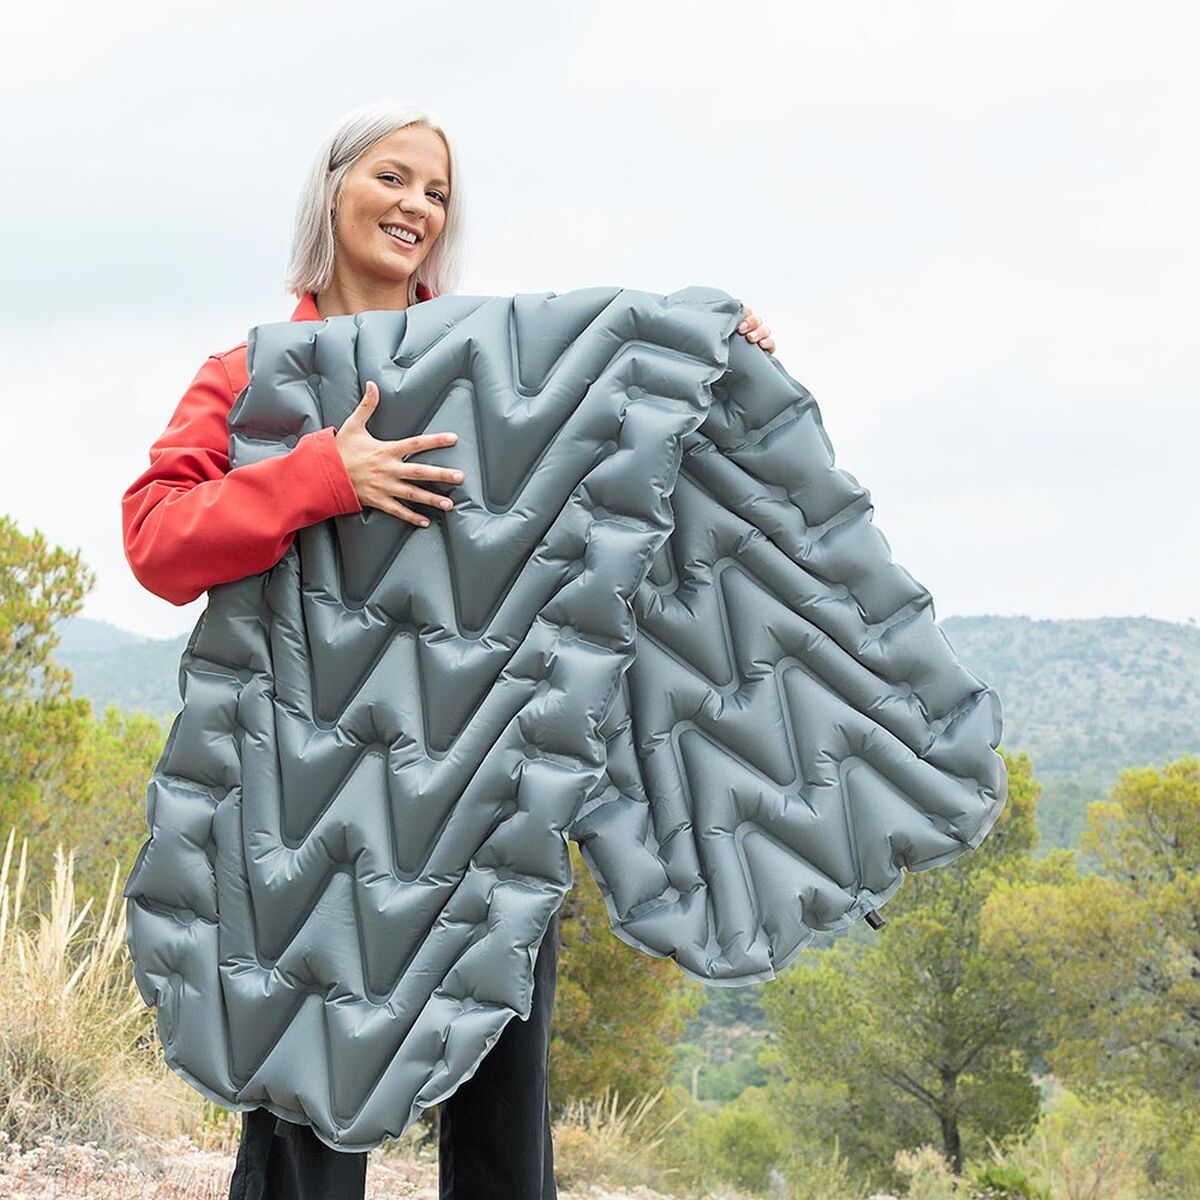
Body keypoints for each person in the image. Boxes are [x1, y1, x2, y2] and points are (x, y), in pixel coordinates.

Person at [122, 98, 778, 1200]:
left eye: (437, 191)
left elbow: (625, 428)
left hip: (487, 800)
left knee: (501, 1131)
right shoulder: (251, 375)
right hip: (308, 816)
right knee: (309, 1104)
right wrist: (320, 475)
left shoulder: (503, 369)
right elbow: (155, 540)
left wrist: (713, 340)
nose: (416, 206)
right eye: (392, 177)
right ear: (332, 190)